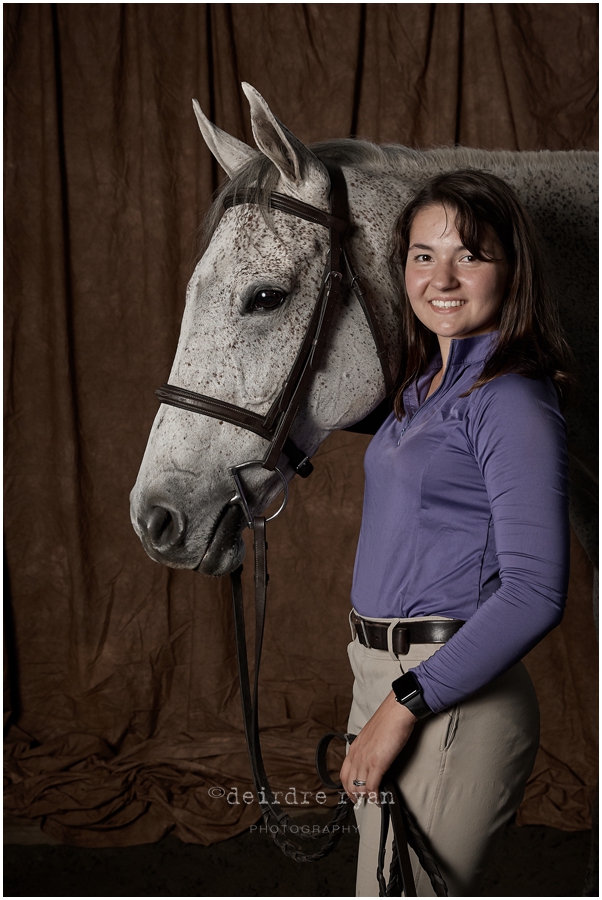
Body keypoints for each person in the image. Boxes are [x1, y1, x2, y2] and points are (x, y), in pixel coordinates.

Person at [339, 170, 572, 897]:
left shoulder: (510, 401)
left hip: (446, 694)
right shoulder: (419, 389)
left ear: (512, 270)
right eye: (421, 254)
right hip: (377, 674)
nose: (441, 277)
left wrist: (404, 707)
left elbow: (536, 591)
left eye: (469, 255)